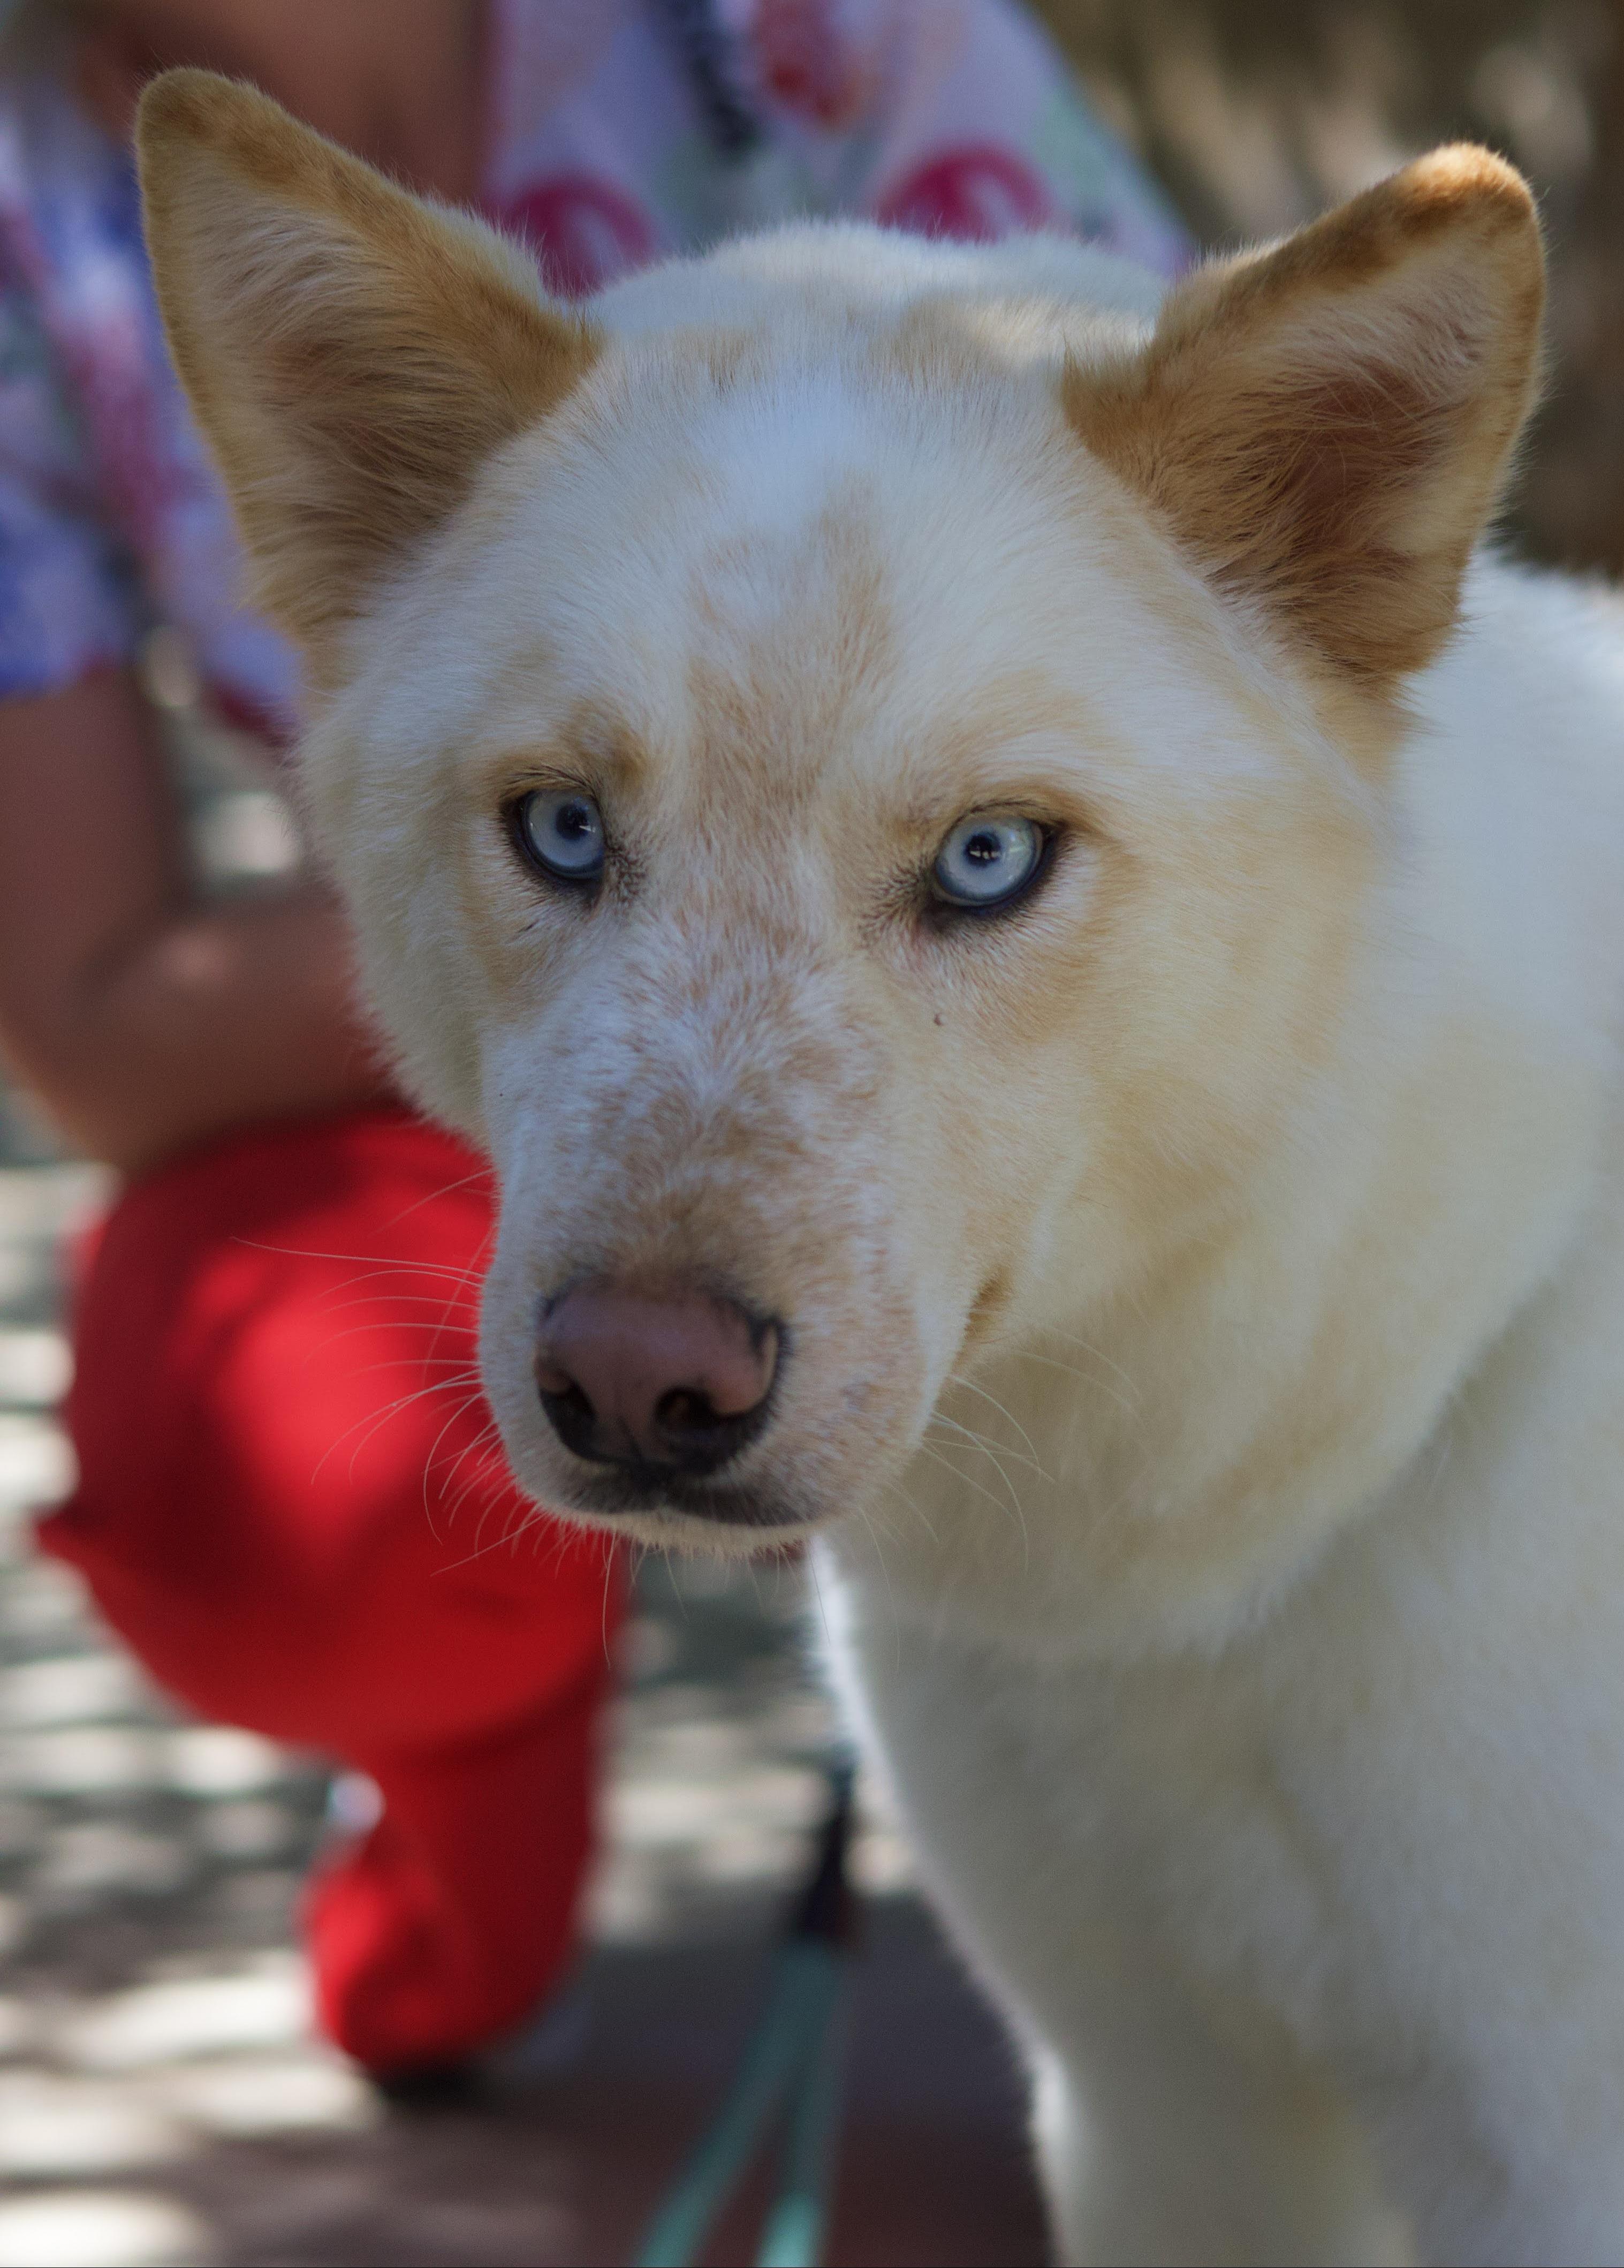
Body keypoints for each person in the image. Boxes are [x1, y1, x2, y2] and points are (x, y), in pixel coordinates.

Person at [0, 0, 1190, 2086]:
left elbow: (1216, 663)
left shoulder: (808, 37)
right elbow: (95, 1022)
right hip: (453, 1021)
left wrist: (811, 933)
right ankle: (475, 1765)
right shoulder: (31, 206)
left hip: (967, 993)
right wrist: (578, 915)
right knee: (267, 1480)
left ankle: (1178, 1948)